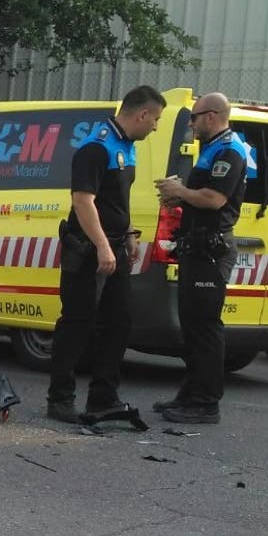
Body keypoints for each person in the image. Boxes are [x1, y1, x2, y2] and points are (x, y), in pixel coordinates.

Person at [47, 85, 166, 423]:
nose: (155, 126)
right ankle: (60, 398)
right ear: (142, 114)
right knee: (77, 322)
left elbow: (115, 200)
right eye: (155, 119)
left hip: (114, 246)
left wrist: (127, 235)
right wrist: (101, 245)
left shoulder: (126, 147)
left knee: (119, 322)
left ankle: (103, 396)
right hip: (88, 250)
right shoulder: (96, 148)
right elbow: (83, 200)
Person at [153, 93, 248, 424]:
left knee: (205, 326)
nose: (190, 124)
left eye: (193, 118)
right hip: (196, 247)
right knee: (191, 326)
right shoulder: (211, 150)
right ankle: (190, 394)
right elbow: (200, 199)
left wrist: (180, 192)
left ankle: (206, 402)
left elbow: (214, 199)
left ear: (211, 116)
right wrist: (178, 200)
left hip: (211, 251)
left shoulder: (229, 151)